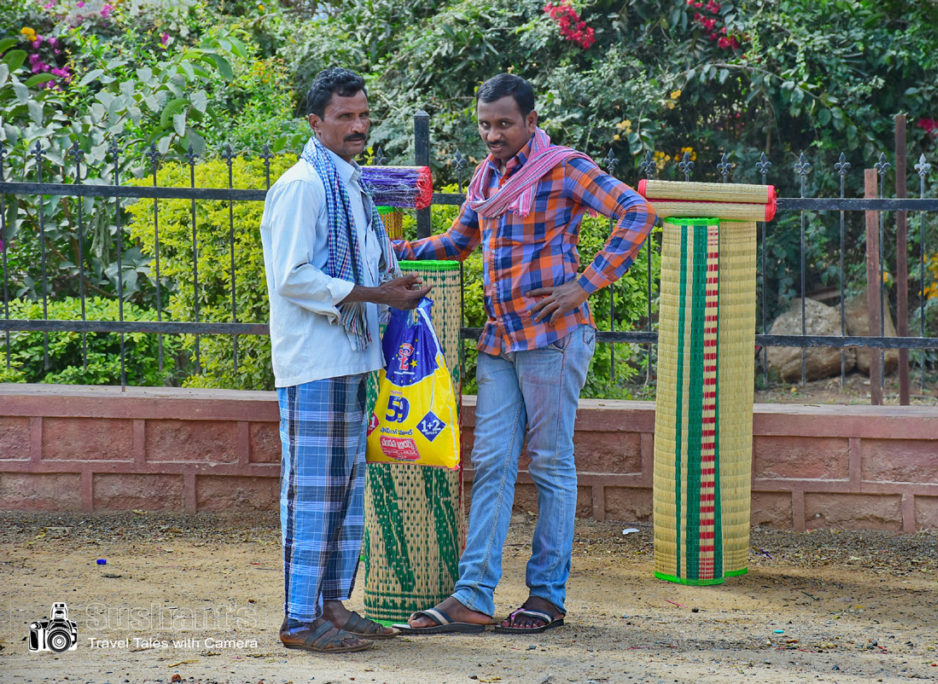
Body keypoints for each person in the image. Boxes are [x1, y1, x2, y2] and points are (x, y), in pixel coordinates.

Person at [394, 73, 655, 635]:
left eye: (505, 123)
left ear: (531, 121)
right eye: (485, 124)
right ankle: (472, 596)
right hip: (499, 342)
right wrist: (391, 252)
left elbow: (637, 213)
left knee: (551, 465)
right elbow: (458, 242)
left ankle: (546, 597)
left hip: (552, 340)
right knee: (490, 463)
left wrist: (585, 284)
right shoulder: (487, 177)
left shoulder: (564, 167)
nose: (493, 134)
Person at [259, 67, 431, 653]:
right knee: (313, 492)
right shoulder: (304, 185)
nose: (358, 126)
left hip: (353, 357)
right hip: (316, 363)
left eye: (363, 115)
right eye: (344, 117)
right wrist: (378, 294)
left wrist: (390, 284)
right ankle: (300, 620)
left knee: (345, 493)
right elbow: (292, 277)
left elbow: (361, 266)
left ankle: (331, 605)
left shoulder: (350, 184)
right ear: (316, 122)